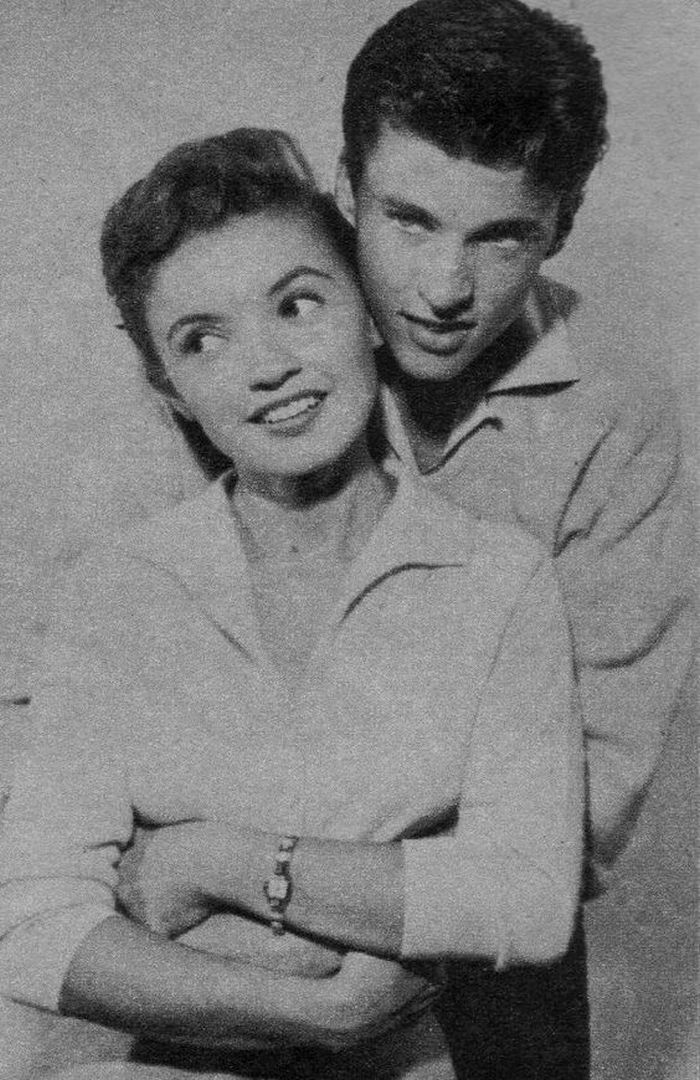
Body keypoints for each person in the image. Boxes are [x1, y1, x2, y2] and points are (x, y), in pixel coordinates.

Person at [115, 2, 693, 1077]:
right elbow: (84, 667)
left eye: (499, 234)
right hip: (215, 959)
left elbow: (583, 796)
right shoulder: (257, 342)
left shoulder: (617, 414)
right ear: (347, 186)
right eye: (409, 219)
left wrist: (275, 880)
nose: (441, 289)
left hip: (481, 974)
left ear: (560, 223)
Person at [0, 128, 583, 1079]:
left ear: (364, 311)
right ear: (169, 388)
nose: (267, 365)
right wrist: (317, 1010)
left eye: (297, 304)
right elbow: (28, 921)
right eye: (203, 339)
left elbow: (525, 899)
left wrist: (214, 860)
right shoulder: (115, 592)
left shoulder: (498, 579)